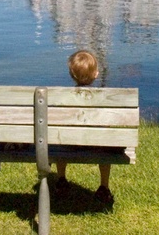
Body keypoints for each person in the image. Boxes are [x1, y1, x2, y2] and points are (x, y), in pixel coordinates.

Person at [54, 50, 114, 205]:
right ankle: (104, 186)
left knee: (59, 139)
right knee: (107, 143)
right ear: (96, 74)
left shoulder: (64, 97)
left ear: (71, 74)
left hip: (70, 144)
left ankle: (61, 179)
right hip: (96, 145)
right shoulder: (103, 98)